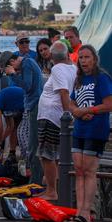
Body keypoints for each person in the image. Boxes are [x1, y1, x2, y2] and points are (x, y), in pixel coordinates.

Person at [68, 45, 112, 222]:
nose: (84, 61)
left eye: (87, 57)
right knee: (78, 169)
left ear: (94, 59)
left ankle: (87, 211)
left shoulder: (101, 78)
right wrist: (76, 110)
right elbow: (71, 102)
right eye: (81, 58)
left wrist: (90, 110)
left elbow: (109, 104)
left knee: (89, 170)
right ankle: (79, 210)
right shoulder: (79, 79)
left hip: (96, 129)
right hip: (79, 129)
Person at [37, 41, 77, 201]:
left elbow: (64, 92)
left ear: (53, 57)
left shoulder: (58, 69)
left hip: (50, 116)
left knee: (47, 155)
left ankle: (51, 191)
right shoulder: (73, 68)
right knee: (57, 155)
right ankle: (55, 188)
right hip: (55, 116)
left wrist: (68, 115)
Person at [0, 51, 44, 184]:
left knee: (32, 144)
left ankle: (35, 180)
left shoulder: (27, 63)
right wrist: (13, 75)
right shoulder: (24, 64)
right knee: (24, 138)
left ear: (12, 62)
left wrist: (12, 74)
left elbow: (27, 86)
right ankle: (32, 175)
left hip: (35, 105)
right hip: (30, 106)